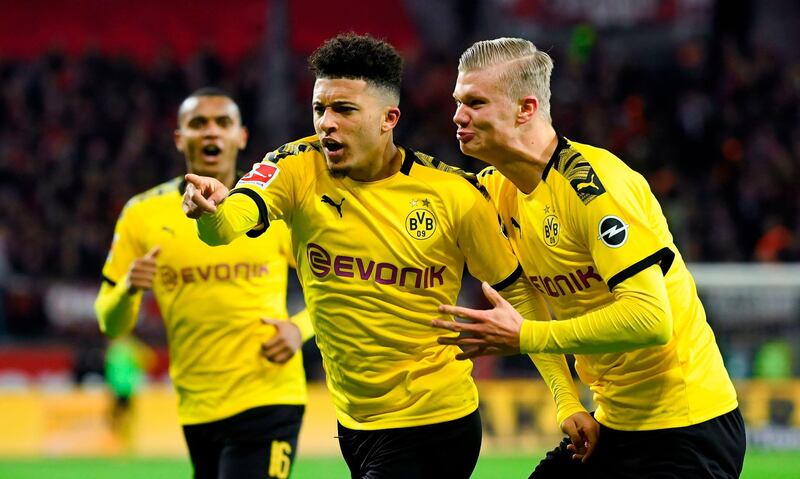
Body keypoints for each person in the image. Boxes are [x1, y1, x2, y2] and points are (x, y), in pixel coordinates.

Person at [182, 34, 566, 479]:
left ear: (389, 118)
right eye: (319, 108)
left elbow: (517, 291)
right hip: (354, 426)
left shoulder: (453, 194)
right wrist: (210, 211)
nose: (326, 123)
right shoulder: (295, 167)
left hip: (434, 421)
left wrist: (566, 397)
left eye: (344, 110)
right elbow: (228, 223)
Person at [432, 37, 746, 478]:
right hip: (612, 425)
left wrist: (527, 338)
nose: (458, 116)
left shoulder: (596, 187)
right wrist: (565, 398)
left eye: (475, 102)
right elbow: (521, 297)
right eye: (457, 102)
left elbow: (651, 319)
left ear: (525, 109)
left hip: (687, 427)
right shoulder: (498, 193)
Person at [95, 88, 313, 479]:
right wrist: (127, 289)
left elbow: (336, 286)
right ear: (180, 138)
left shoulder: (273, 207)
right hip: (196, 407)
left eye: (222, 123)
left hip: (269, 395)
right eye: (198, 124)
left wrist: (301, 329)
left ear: (241, 137)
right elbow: (111, 324)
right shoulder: (142, 215)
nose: (211, 132)